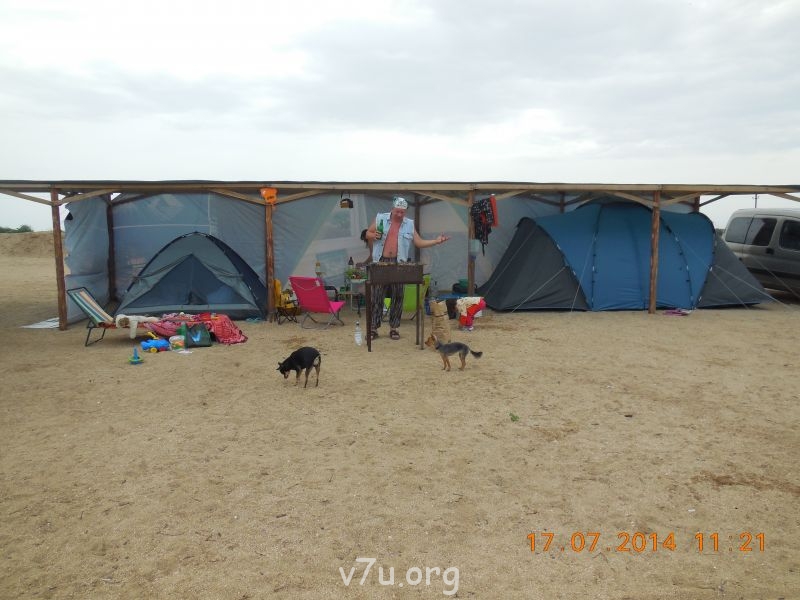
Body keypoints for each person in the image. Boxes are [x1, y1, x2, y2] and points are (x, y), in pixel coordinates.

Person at [364, 196, 450, 340]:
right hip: (381, 261)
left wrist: (436, 241)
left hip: (399, 263)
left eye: (402, 212)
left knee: (398, 295)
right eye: (397, 211)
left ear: (405, 211)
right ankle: (373, 328)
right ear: (392, 209)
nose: (399, 214)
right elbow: (367, 233)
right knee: (377, 295)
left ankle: (394, 328)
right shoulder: (380, 218)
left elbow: (419, 242)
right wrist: (373, 235)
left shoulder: (409, 224)